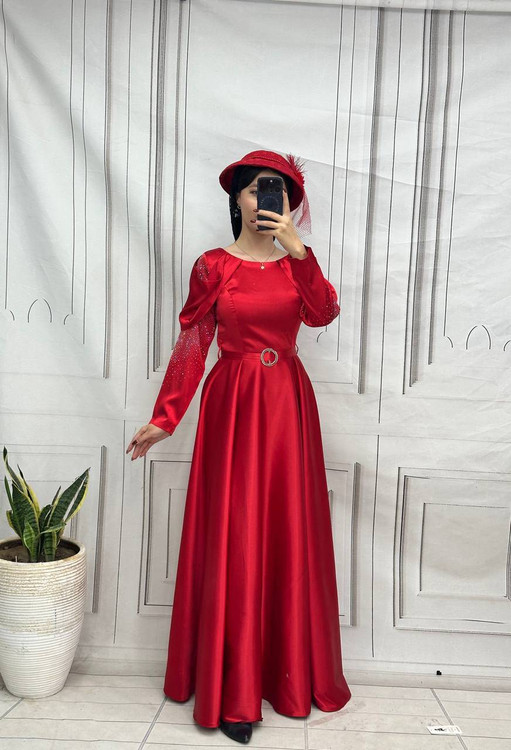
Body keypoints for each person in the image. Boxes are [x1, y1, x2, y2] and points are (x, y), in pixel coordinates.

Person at [126, 150, 351, 744]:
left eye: (276, 191)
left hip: (287, 409)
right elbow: (194, 341)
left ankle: (287, 678)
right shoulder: (213, 266)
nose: (263, 200)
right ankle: (235, 695)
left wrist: (301, 254)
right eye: (254, 190)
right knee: (237, 535)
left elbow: (324, 314)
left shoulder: (298, 265)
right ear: (238, 200)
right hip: (233, 406)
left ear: (290, 206)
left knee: (282, 532)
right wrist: (165, 417)